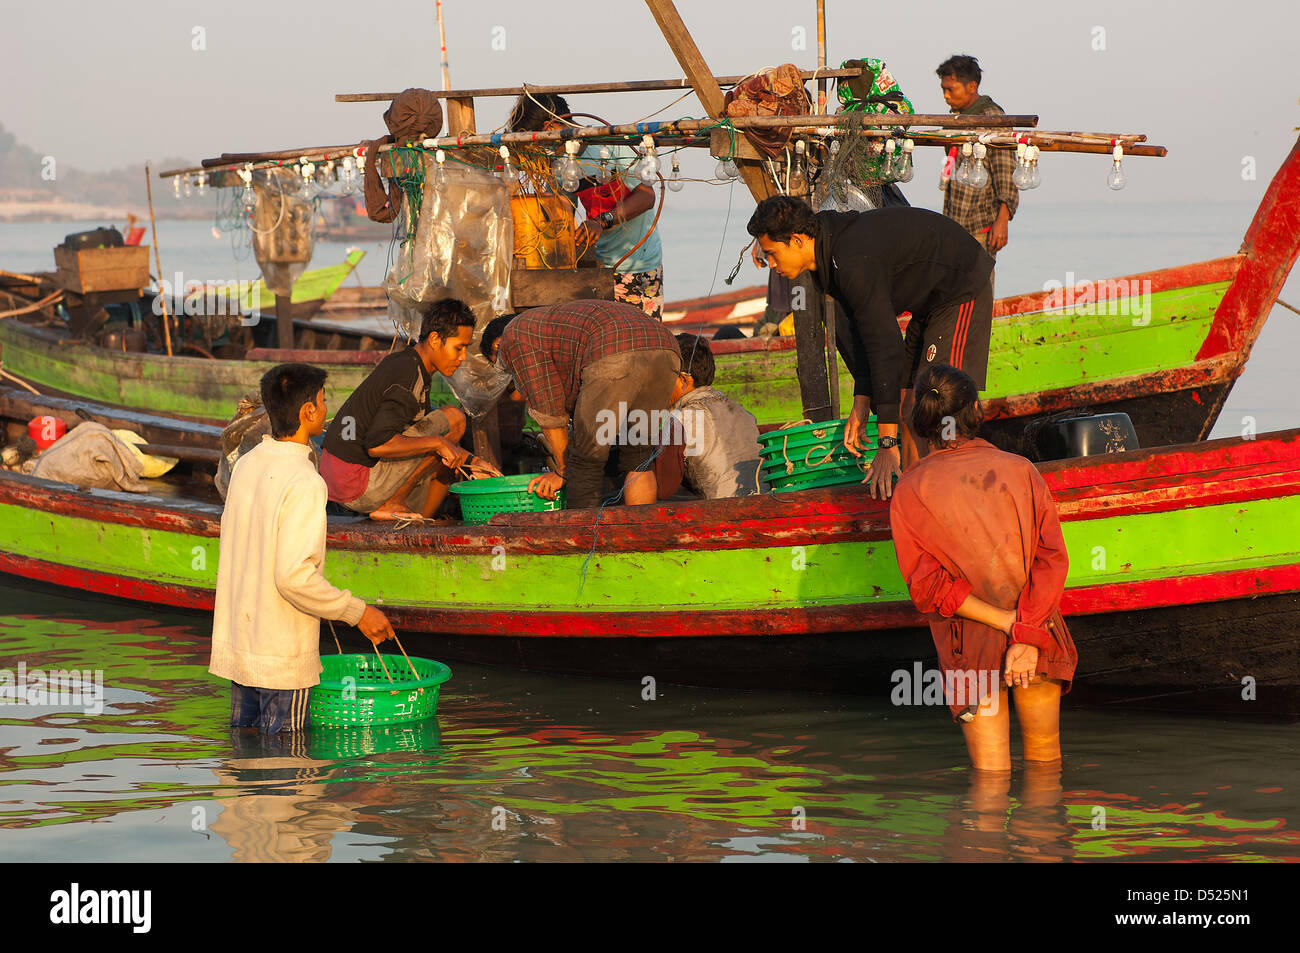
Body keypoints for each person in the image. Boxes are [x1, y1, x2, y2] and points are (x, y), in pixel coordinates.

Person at [888, 364, 1077, 772]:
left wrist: (1008, 626)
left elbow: (929, 589)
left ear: (919, 419)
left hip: (969, 648)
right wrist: (1025, 633)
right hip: (1038, 634)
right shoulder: (1022, 470)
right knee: (1046, 771)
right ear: (975, 410)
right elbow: (1052, 560)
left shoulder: (909, 491)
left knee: (991, 788)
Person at [746, 195, 994, 499]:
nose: (771, 265)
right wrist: (861, 404)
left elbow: (886, 344)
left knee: (937, 405)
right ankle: (915, 496)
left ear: (796, 240)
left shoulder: (848, 258)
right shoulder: (827, 257)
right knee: (908, 408)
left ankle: (957, 495)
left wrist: (886, 443)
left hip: (961, 288)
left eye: (772, 253)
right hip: (928, 302)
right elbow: (865, 333)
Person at [209, 363, 395, 735]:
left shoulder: (245, 464)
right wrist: (356, 612)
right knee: (287, 768)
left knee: (246, 753)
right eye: (323, 402)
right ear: (308, 411)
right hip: (280, 657)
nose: (327, 410)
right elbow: (294, 578)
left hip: (242, 646)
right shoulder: (306, 482)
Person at [319, 298, 499, 521]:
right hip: (355, 482)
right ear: (435, 339)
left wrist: (474, 462)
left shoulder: (411, 365)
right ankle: (392, 503)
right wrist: (439, 443)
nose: (462, 357)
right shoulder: (408, 373)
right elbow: (378, 445)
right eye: (459, 348)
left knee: (446, 465)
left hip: (339, 478)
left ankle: (417, 520)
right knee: (453, 420)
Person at [492, 300, 681, 509]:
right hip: (665, 346)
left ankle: (583, 541)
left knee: (584, 463)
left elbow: (549, 412)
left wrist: (563, 470)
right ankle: (641, 535)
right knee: (638, 457)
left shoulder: (514, 337)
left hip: (614, 348)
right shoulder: (546, 326)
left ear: (497, 347)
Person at [508, 92, 665, 320]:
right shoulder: (559, 163)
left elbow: (647, 196)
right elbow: (563, 212)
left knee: (643, 343)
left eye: (541, 141)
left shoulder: (609, 143)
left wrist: (602, 222)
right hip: (599, 268)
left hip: (638, 266)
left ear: (551, 125)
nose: (543, 149)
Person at [937, 54, 1018, 294]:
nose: (946, 96)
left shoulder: (993, 118)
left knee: (977, 291)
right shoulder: (957, 120)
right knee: (954, 290)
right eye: (943, 90)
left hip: (981, 225)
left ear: (972, 86)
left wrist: (1002, 220)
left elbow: (1006, 171)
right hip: (956, 222)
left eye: (950, 89)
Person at [653, 333, 763, 499]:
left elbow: (662, 489)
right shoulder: (744, 412)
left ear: (683, 379)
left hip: (723, 512)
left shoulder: (681, 420)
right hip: (763, 499)